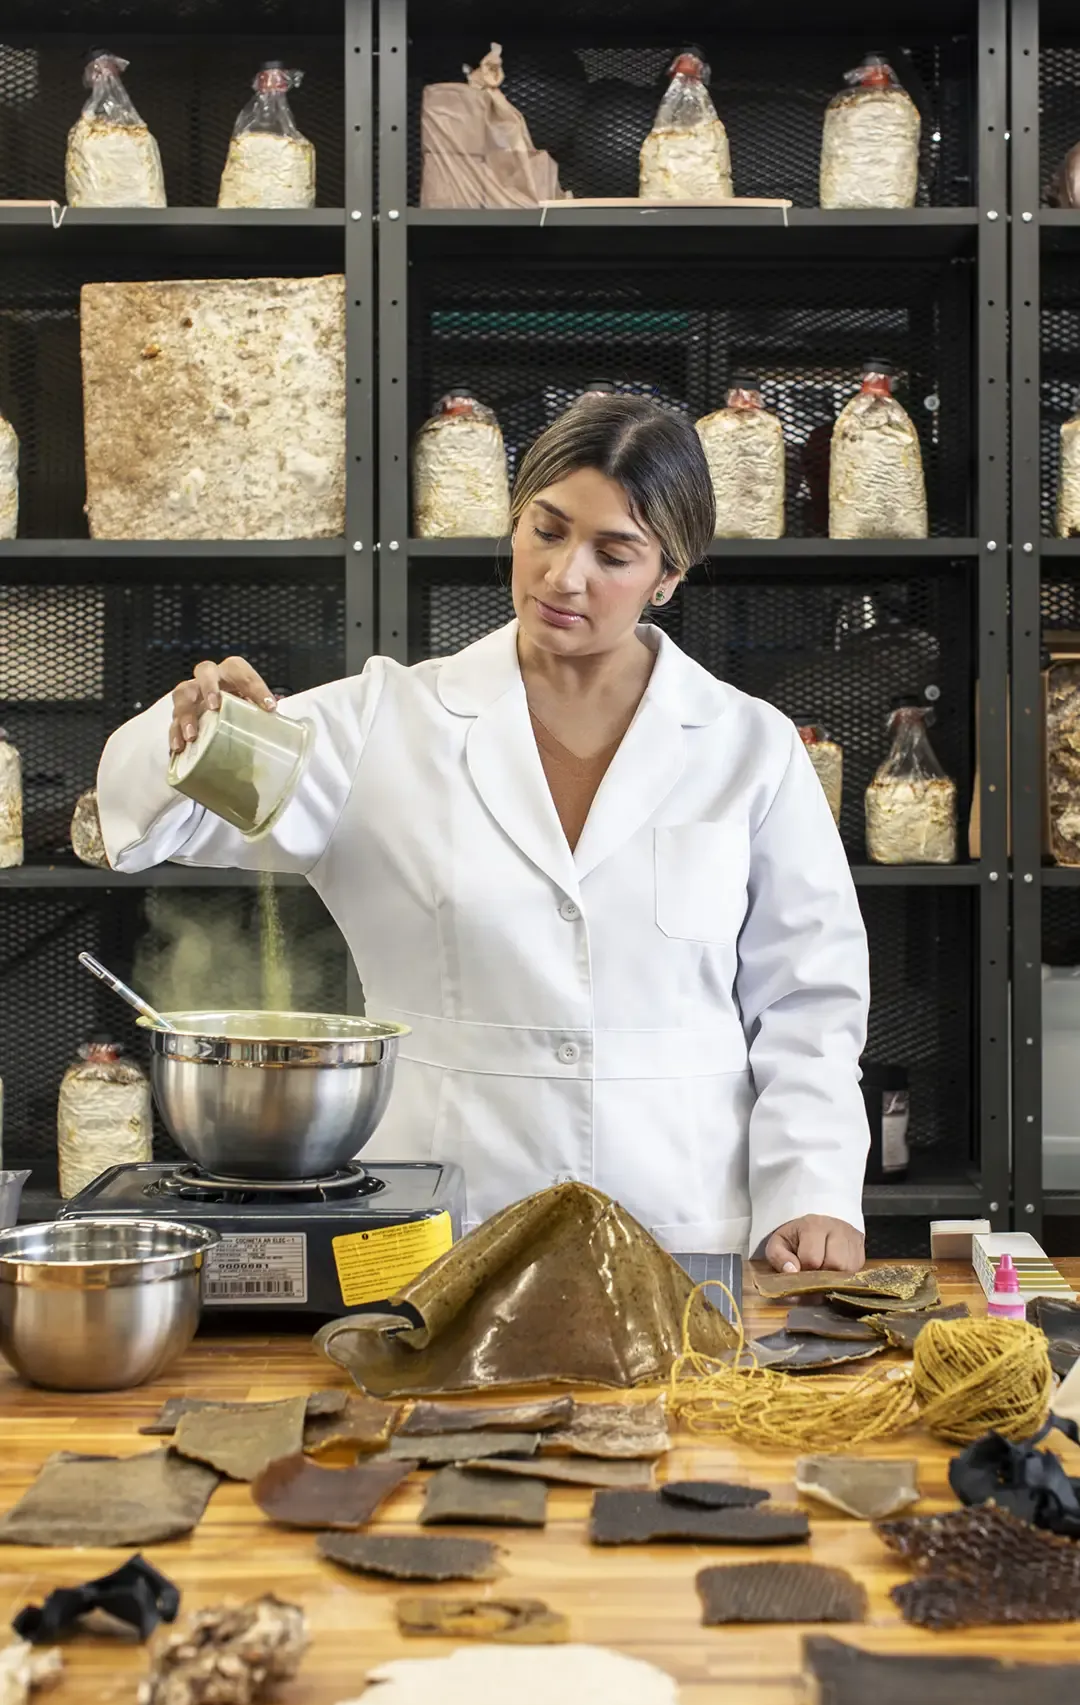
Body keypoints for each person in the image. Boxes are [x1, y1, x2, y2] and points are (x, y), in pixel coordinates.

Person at [96, 396, 869, 1272]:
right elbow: (158, 825)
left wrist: (812, 1188)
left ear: (670, 575)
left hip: (684, 1221)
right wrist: (189, 733)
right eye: (546, 530)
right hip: (444, 1224)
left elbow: (809, 1002)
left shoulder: (747, 745)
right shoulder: (382, 724)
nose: (563, 575)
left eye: (613, 553)